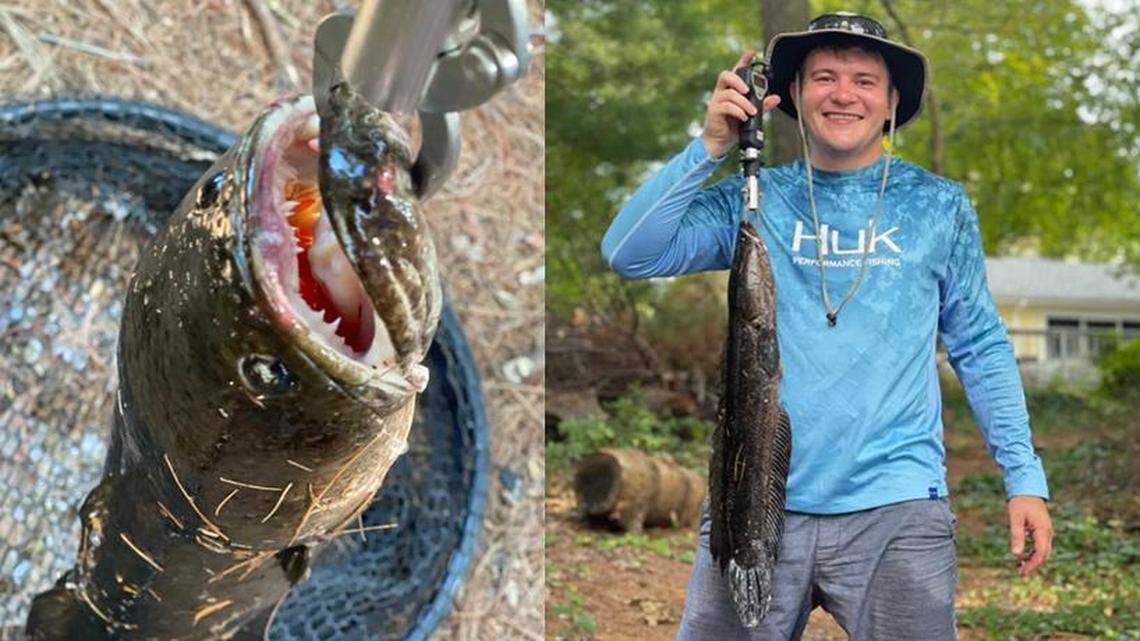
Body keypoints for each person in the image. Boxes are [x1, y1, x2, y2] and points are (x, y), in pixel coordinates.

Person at [600, 12, 1053, 641]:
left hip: (896, 510)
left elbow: (979, 344)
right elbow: (630, 252)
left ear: (892, 102)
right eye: (825, 77)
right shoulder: (753, 197)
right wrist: (709, 147)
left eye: (865, 81)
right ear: (794, 93)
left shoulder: (938, 205)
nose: (844, 94)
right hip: (750, 493)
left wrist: (1024, 477)